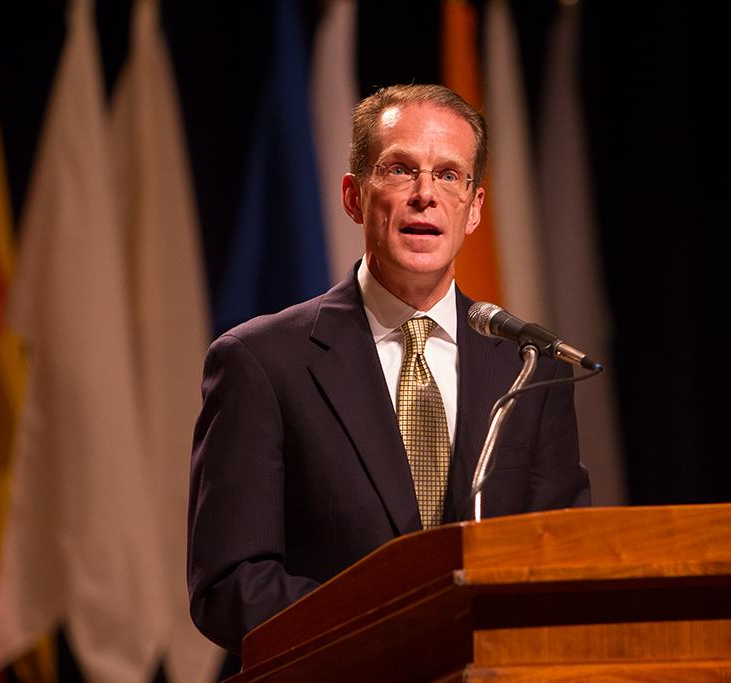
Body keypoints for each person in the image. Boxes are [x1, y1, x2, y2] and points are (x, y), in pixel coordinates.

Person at [187, 84, 590, 655]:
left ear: (474, 208)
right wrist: (396, 629)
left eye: (450, 175)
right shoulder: (261, 363)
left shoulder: (530, 368)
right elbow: (230, 586)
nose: (426, 194)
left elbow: (561, 562)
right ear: (354, 197)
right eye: (401, 170)